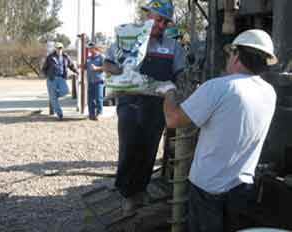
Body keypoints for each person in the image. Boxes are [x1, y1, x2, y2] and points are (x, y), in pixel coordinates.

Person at [157, 29, 278, 231]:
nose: (228, 60)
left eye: (230, 54)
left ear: (237, 55)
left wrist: (168, 91)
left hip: (208, 189)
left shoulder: (220, 87)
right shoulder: (269, 92)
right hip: (242, 188)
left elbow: (172, 119)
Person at [103, 0, 186, 214]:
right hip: (129, 102)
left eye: (165, 22)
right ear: (147, 16)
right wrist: (121, 71)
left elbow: (180, 74)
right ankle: (127, 194)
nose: (161, 25)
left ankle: (141, 189)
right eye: (157, 19)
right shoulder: (126, 40)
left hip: (157, 106)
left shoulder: (173, 47)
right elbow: (107, 63)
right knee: (129, 147)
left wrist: (177, 90)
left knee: (149, 149)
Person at [42, 42, 78, 120]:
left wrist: (76, 72)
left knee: (66, 91)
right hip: (52, 79)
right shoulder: (50, 57)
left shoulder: (65, 57)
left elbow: (71, 65)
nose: (59, 49)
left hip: (61, 78)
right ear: (55, 48)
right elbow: (44, 68)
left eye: (61, 48)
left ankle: (53, 97)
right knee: (54, 98)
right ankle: (59, 114)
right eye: (58, 48)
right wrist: (47, 76)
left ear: (63, 48)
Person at [85, 42, 105, 120]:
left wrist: (97, 68)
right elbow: (86, 66)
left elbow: (106, 67)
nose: (89, 49)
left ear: (95, 48)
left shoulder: (101, 57)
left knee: (99, 98)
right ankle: (91, 114)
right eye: (89, 48)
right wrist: (81, 66)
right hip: (90, 81)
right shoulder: (88, 58)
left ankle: (99, 113)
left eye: (91, 48)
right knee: (90, 99)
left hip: (98, 81)